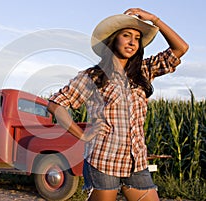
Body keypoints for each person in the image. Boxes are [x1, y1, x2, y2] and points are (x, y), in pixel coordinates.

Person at [47, 8, 188, 201]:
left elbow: (181, 49)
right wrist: (82, 134)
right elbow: (56, 104)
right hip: (103, 160)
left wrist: (155, 20)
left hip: (137, 162)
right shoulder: (93, 77)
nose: (132, 42)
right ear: (113, 39)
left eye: (137, 38)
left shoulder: (144, 71)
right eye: (126, 35)